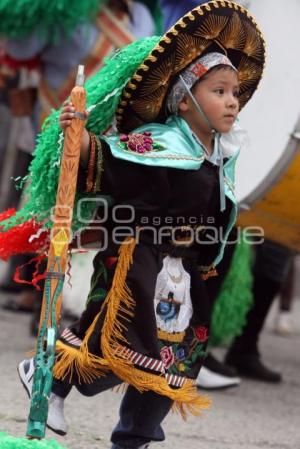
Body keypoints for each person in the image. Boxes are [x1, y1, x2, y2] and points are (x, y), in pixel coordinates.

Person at [12, 3, 266, 448]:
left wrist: (207, 263)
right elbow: (114, 160)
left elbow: (218, 220)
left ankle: (135, 437)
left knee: (172, 361)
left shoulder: (221, 157)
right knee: (116, 343)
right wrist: (82, 140)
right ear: (184, 100)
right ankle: (48, 377)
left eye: (234, 92)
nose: (232, 101)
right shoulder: (161, 143)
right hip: (137, 261)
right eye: (219, 91)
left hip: (184, 276)